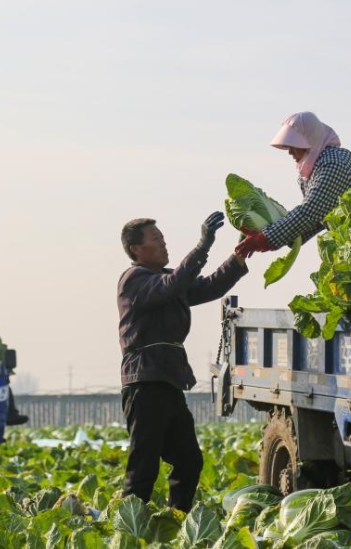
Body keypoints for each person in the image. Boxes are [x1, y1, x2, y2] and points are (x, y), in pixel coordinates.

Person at [117, 212, 247, 512]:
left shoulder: (167, 280)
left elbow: (210, 286)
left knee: (189, 459)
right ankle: (127, 530)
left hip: (168, 381)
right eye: (156, 239)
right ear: (136, 249)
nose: (164, 243)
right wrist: (203, 246)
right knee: (144, 464)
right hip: (146, 382)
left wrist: (238, 255)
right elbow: (174, 284)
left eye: (163, 238)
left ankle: (177, 520)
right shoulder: (134, 280)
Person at [235, 112, 351, 258]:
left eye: (294, 145)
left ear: (309, 142)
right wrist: (267, 230)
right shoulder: (313, 168)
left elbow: (311, 211)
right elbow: (318, 218)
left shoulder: (333, 163)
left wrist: (265, 238)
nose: (289, 152)